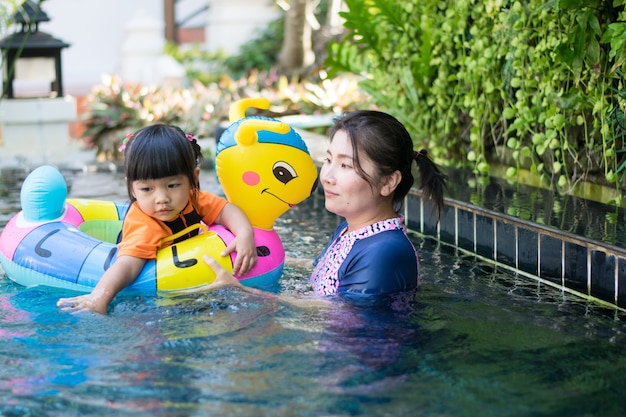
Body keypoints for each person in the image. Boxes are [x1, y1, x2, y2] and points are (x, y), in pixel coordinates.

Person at [203, 109, 447, 305]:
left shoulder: (385, 251)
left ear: (388, 182)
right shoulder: (351, 231)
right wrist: (266, 258)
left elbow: (339, 313)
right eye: (329, 160)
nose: (327, 176)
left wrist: (240, 290)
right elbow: (324, 272)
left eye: (345, 166)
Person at [57, 124, 257, 314]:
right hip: (156, 296)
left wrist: (244, 233)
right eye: (147, 189)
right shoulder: (144, 224)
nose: (162, 199)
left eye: (172, 185)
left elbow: (226, 210)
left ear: (193, 179)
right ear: (132, 188)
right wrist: (99, 297)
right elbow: (127, 265)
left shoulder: (194, 198)